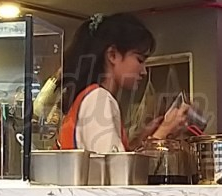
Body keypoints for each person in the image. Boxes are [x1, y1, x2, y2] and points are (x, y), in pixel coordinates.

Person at [55, 13, 190, 153]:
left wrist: (141, 140)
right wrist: (163, 133)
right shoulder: (99, 99)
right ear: (112, 55)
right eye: (139, 60)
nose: (144, 71)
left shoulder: (90, 97)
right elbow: (115, 166)